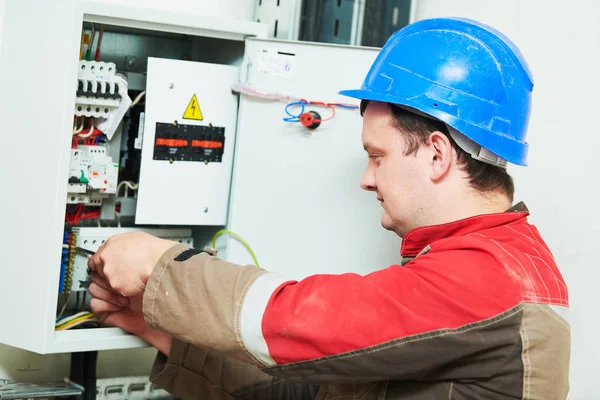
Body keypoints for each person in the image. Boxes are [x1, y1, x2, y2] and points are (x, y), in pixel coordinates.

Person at [87, 17, 570, 399]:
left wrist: (161, 267)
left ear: (438, 154)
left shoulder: (488, 276)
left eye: (377, 156)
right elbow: (319, 392)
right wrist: (167, 332)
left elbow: (292, 323)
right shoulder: (496, 263)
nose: (366, 179)